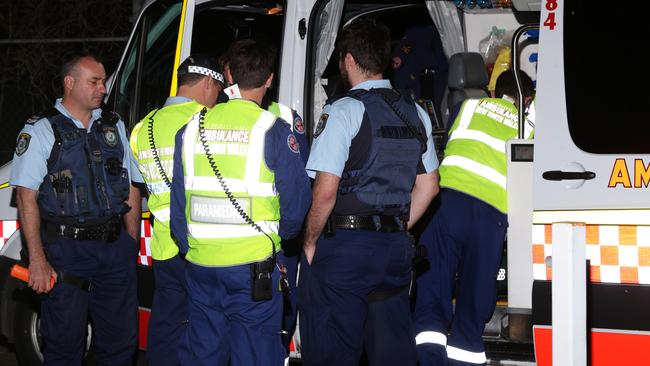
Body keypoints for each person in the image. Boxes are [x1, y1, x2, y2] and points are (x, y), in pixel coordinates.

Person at [298, 18, 440, 366]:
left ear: (348, 61)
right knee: (392, 353)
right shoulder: (415, 112)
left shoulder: (344, 111)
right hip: (393, 252)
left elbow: (326, 191)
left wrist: (310, 240)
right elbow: (430, 186)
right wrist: (397, 227)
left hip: (345, 251)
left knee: (333, 351)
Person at [169, 39, 311, 365]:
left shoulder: (190, 129)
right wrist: (281, 241)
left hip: (201, 265)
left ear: (228, 73)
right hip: (253, 270)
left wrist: (191, 248)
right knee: (256, 356)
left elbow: (179, 203)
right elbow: (296, 204)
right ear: (270, 79)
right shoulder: (274, 130)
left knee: (204, 355)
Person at [10, 53, 143, 365]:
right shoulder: (41, 130)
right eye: (94, 81)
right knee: (65, 346)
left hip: (114, 249)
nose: (103, 88)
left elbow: (132, 183)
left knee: (120, 345)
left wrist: (131, 241)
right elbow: (26, 198)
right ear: (70, 83)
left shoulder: (114, 125)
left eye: (103, 81)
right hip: (67, 252)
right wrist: (39, 261)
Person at [413, 70, 535, 366]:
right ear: (528, 100)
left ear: (493, 91)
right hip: (490, 216)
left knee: (432, 292)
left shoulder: (466, 107)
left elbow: (450, 140)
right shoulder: (530, 125)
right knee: (474, 300)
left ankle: (428, 360)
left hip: (445, 205)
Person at [129, 55, 224, 366]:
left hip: (165, 246)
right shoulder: (210, 121)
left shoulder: (143, 127)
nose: (218, 97)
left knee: (167, 321)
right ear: (208, 83)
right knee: (206, 325)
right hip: (205, 243)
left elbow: (136, 188)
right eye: (218, 89)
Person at [220, 39, 310, 350]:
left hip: (246, 242)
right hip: (269, 238)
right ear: (269, 78)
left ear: (228, 74)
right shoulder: (284, 116)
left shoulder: (212, 117)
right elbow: (302, 180)